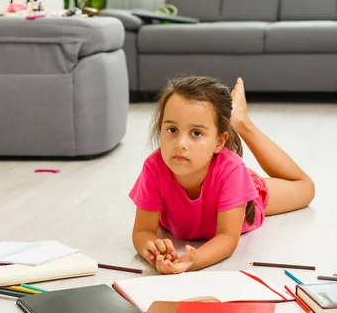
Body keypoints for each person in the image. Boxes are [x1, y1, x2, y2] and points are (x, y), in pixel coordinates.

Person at [129, 76, 315, 274]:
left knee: (306, 188)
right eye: (172, 130)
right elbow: (142, 231)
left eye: (196, 133)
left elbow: (227, 237)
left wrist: (194, 260)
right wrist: (154, 253)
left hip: (235, 188)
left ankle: (242, 122)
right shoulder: (154, 167)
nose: (180, 143)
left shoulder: (232, 172)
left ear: (219, 142)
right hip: (221, 175)